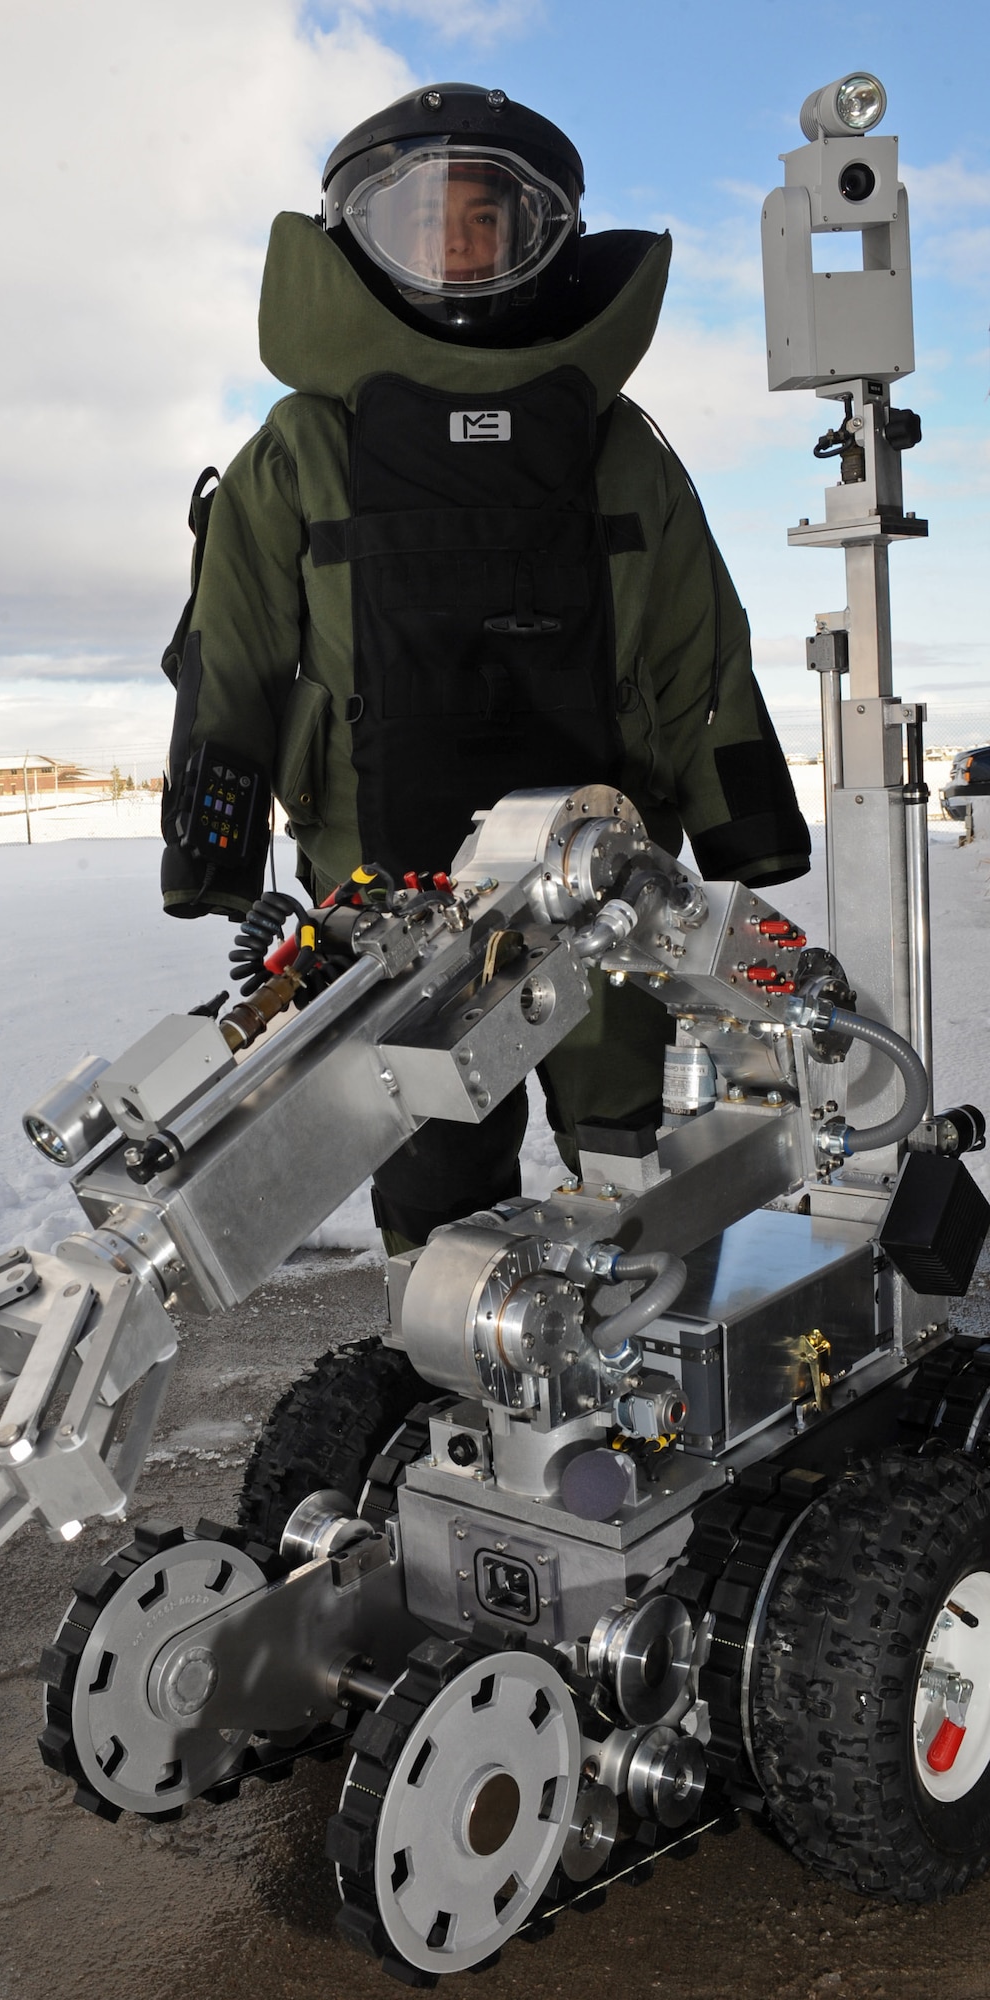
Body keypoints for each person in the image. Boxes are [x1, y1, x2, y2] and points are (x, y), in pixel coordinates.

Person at [158, 82, 811, 1251]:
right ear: (357, 240)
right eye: (421, 221)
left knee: (633, 1132)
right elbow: (234, 650)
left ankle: (649, 1364)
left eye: (484, 222)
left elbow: (696, 651)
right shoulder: (299, 449)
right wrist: (211, 850)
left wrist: (746, 830)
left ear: (540, 244)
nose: (453, 250)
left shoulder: (618, 448)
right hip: (390, 885)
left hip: (605, 871)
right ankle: (443, 1381)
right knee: (428, 1136)